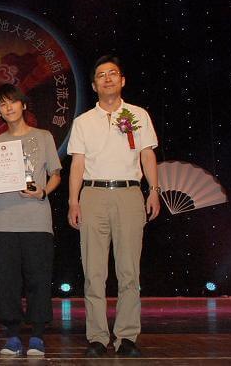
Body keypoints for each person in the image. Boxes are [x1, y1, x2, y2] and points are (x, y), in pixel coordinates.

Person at [67, 55, 160, 358]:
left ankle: (127, 336)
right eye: (101, 75)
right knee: (93, 272)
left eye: (113, 73)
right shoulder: (83, 121)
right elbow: (77, 164)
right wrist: (73, 200)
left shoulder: (138, 114)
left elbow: (147, 155)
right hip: (93, 195)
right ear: (94, 85)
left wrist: (154, 190)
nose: (107, 78)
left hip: (129, 194)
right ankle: (97, 337)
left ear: (122, 80)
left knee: (129, 271)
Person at [0, 84, 61, 357]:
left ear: (23, 105)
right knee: (7, 282)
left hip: (37, 221)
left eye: (13, 102)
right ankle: (13, 336)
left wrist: (43, 192)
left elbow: (56, 174)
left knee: (39, 279)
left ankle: (37, 336)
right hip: (4, 222)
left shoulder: (43, 136)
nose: (9, 107)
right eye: (3, 104)